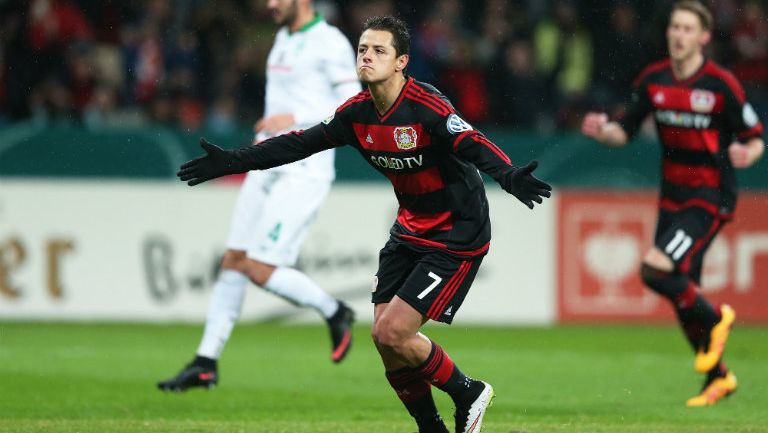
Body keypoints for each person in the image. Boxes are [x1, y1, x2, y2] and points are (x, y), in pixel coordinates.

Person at [177, 15, 551, 433]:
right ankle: (432, 428)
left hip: (456, 233)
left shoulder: (426, 107)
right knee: (384, 339)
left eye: (379, 51)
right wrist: (234, 161)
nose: (367, 57)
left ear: (401, 62)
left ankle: (468, 392)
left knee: (393, 331)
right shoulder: (356, 114)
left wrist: (508, 174)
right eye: (362, 49)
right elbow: (300, 144)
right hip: (409, 229)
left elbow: (470, 140)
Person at [157, 0, 361, 392]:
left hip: (304, 169)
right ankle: (205, 362)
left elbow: (353, 105)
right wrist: (264, 137)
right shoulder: (284, 37)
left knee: (259, 267)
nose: (269, 5)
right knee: (233, 259)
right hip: (267, 161)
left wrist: (296, 119)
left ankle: (335, 311)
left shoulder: (330, 41)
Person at [580, 1, 764, 407]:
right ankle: (719, 377)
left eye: (687, 29)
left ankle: (718, 321)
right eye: (674, 28)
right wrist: (603, 131)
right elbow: (624, 132)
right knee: (682, 293)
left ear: (703, 37)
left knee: (655, 270)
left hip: (709, 197)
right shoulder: (654, 80)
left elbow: (754, 136)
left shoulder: (720, 84)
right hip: (672, 199)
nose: (678, 35)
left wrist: (748, 153)